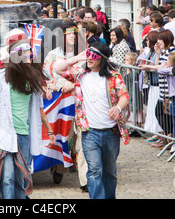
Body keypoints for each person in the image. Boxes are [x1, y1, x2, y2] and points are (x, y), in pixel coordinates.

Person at [0, 39, 55, 199]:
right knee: (6, 179)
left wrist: (49, 130)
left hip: (24, 136)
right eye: (26, 55)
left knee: (21, 178)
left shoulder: (32, 79)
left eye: (31, 55)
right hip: (2, 135)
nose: (30, 58)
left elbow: (38, 108)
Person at [54, 42, 129, 199]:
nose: (89, 58)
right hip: (89, 132)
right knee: (94, 170)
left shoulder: (114, 77)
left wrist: (118, 108)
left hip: (111, 132)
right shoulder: (80, 74)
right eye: (88, 54)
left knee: (109, 172)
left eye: (93, 56)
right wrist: (76, 58)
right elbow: (58, 69)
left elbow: (124, 96)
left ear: (102, 59)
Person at [43, 22, 79, 184]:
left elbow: (87, 75)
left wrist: (74, 85)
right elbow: (44, 76)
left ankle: (62, 166)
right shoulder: (52, 55)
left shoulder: (81, 56)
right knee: (57, 132)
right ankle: (56, 163)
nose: (72, 36)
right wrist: (50, 86)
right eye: (68, 33)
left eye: (74, 33)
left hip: (75, 101)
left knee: (70, 134)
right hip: (56, 102)